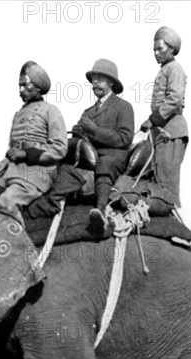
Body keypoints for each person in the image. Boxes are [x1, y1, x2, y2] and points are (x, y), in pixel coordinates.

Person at [0, 61, 68, 221]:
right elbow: (12, 153)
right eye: (19, 86)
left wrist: (26, 153)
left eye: (25, 85)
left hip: (37, 173)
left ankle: (14, 244)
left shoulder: (50, 110)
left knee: (7, 202)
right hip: (11, 171)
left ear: (38, 87)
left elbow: (60, 148)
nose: (20, 90)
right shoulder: (18, 115)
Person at [72, 59, 134, 234]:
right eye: (93, 79)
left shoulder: (124, 107)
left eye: (101, 78)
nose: (95, 82)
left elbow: (125, 138)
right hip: (92, 158)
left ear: (112, 82)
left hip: (114, 158)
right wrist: (80, 134)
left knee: (104, 162)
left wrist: (95, 130)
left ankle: (100, 210)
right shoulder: (88, 112)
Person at [140, 26, 188, 208]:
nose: (156, 53)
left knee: (167, 182)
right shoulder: (165, 69)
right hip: (162, 131)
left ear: (172, 49)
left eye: (160, 49)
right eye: (154, 50)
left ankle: (175, 228)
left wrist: (152, 119)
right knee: (157, 177)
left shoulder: (175, 69)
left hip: (172, 131)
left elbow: (174, 98)